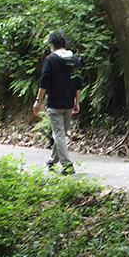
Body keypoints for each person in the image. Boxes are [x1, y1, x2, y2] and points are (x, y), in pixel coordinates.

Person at [33, 31, 82, 175]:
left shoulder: (51, 60)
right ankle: (52, 161)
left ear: (53, 45)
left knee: (59, 135)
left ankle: (67, 166)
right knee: (61, 134)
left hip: (55, 103)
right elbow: (78, 83)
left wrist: (38, 101)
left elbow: (44, 82)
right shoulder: (75, 60)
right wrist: (76, 102)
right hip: (68, 103)